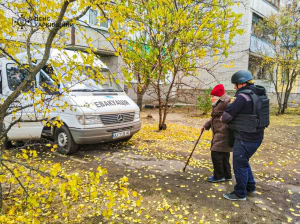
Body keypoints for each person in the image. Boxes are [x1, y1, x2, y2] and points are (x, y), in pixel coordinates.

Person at [221, 70, 269, 201]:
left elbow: (225, 117)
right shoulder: (259, 94)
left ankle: (240, 193)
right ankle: (250, 186)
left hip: (244, 138)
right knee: (244, 161)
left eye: (235, 85)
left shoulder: (242, 97)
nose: (234, 87)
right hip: (257, 136)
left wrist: (228, 107)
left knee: (239, 164)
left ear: (241, 83)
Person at [202, 84, 232, 183]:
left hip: (223, 131)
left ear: (218, 95)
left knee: (216, 153)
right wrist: (206, 125)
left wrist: (225, 127)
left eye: (212, 96)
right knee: (224, 154)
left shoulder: (227, 102)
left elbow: (231, 116)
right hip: (219, 130)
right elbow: (214, 117)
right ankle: (227, 175)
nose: (211, 98)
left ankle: (219, 176)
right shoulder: (219, 102)